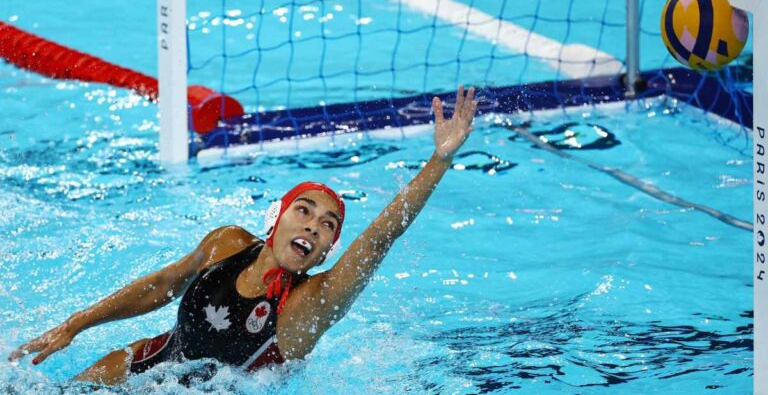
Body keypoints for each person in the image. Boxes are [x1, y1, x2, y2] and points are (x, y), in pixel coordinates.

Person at [8, 86, 479, 384]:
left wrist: (439, 160)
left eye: (328, 225)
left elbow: (378, 239)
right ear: (277, 218)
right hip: (142, 367)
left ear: (323, 254)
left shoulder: (306, 308)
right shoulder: (226, 243)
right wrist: (76, 324)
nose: (314, 225)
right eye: (305, 210)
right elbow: (162, 285)